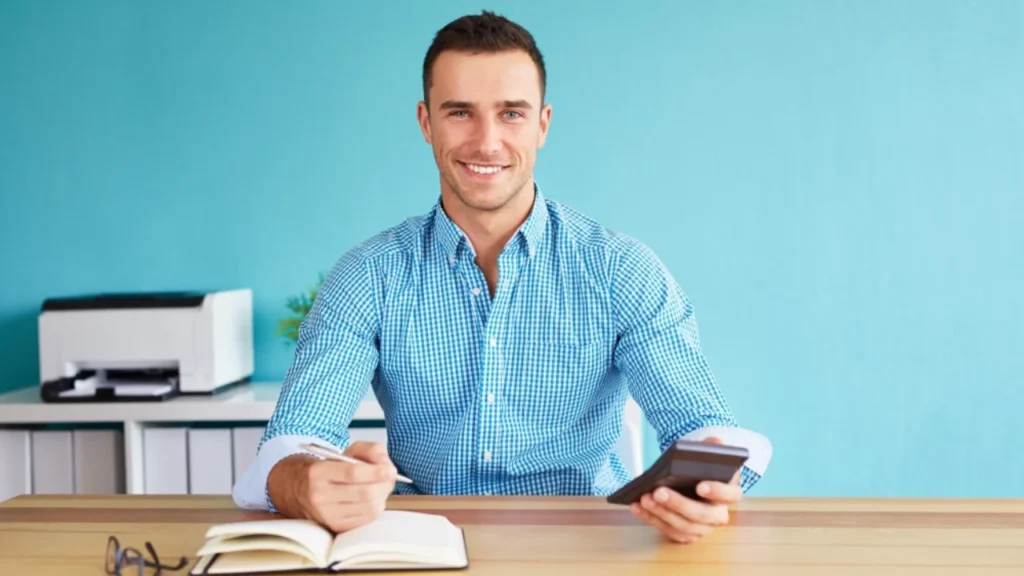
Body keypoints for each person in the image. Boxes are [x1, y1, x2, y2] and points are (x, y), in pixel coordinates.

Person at [233, 10, 772, 545]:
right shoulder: (367, 276)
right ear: (426, 122)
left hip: (587, 546)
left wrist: (705, 492)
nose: (486, 142)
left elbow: (704, 431)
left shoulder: (619, 269)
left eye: (511, 113)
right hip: (421, 545)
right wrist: (305, 483)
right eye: (460, 112)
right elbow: (290, 446)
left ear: (543, 124)